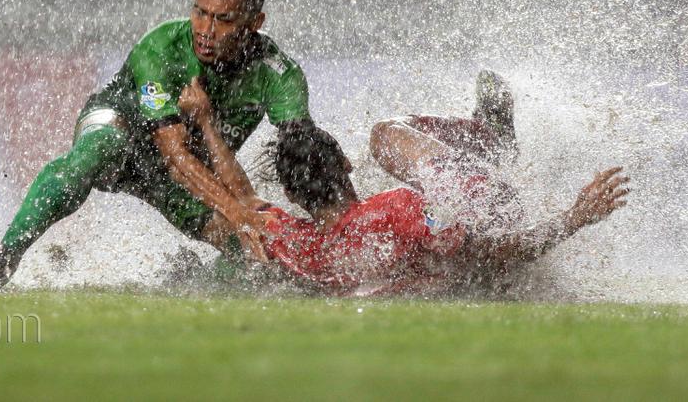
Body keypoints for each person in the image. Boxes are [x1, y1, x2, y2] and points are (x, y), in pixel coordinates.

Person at [0, 0, 312, 288]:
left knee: (251, 252)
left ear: (255, 23)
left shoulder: (280, 75)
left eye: (223, 20)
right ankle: (2, 260)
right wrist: (238, 212)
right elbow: (175, 156)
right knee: (100, 149)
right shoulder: (161, 48)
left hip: (184, 174)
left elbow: (303, 154)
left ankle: (198, 285)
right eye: (200, 12)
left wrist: (312, 216)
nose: (205, 30)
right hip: (125, 131)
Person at [178, 71, 630, 296]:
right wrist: (575, 217)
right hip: (496, 218)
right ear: (345, 165)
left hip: (449, 262)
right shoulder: (399, 209)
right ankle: (491, 139)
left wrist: (205, 122)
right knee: (386, 134)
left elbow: (242, 196)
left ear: (291, 194)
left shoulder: (294, 243)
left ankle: (490, 139)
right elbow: (494, 257)